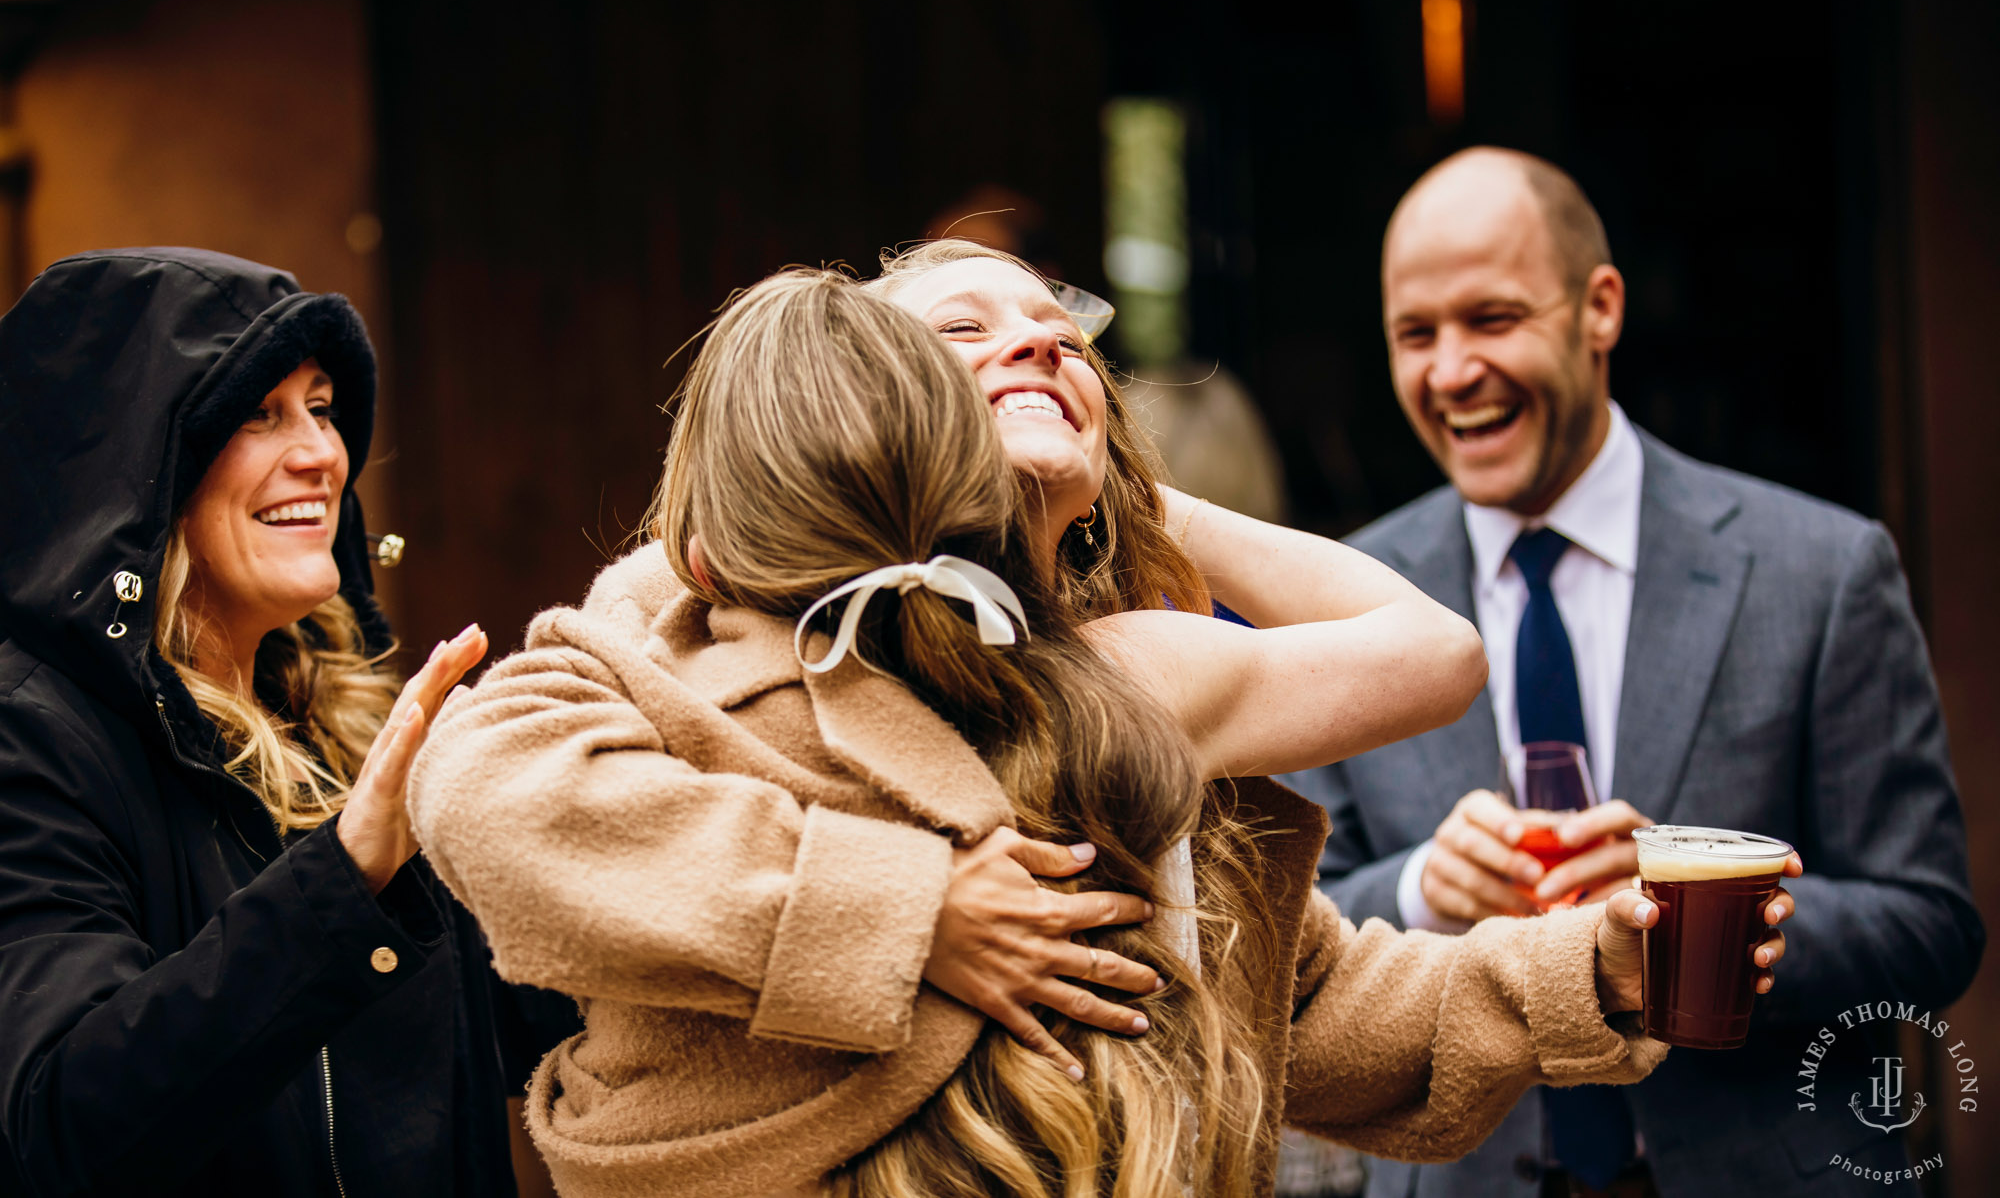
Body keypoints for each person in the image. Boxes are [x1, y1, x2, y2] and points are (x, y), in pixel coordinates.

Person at [410, 264, 1794, 1196]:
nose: (1037, 344)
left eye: (1065, 337)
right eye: (963, 334)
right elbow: (494, 792)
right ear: (855, 411)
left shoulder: (1133, 682)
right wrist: (906, 912)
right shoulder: (702, 617)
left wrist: (1588, 972)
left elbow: (1303, 1011)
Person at [1281, 148, 1982, 1198]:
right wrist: (1424, 888)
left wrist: (1707, 915)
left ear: (1597, 308)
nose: (1449, 371)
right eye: (1413, 334)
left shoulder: (1821, 570)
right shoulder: (1342, 594)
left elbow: (1928, 927)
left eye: (1492, 317)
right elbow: (1289, 928)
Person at [0, 248, 535, 1196]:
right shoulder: (34, 744)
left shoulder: (334, 736)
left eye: (322, 408)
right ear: (133, 473)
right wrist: (344, 879)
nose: (323, 454)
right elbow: (59, 1127)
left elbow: (496, 1024)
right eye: (258, 412)